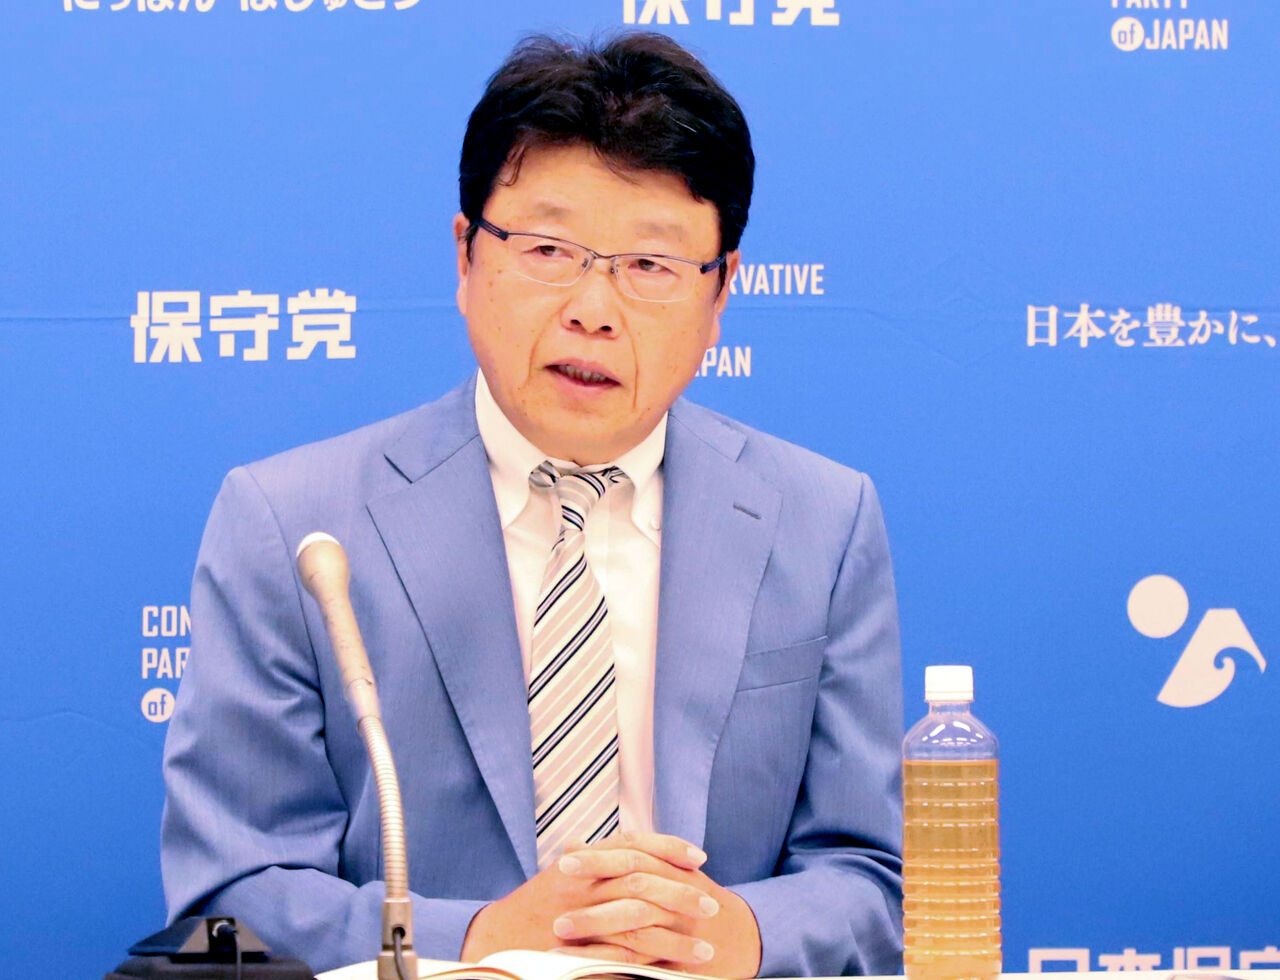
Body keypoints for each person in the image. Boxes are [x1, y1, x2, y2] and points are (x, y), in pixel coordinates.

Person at [161, 32, 903, 978]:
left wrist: (736, 933)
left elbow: (874, 875)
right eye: (549, 249)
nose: (594, 308)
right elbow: (234, 890)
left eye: (651, 265)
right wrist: (479, 942)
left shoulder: (823, 522)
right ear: (467, 257)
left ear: (721, 294)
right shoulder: (293, 524)